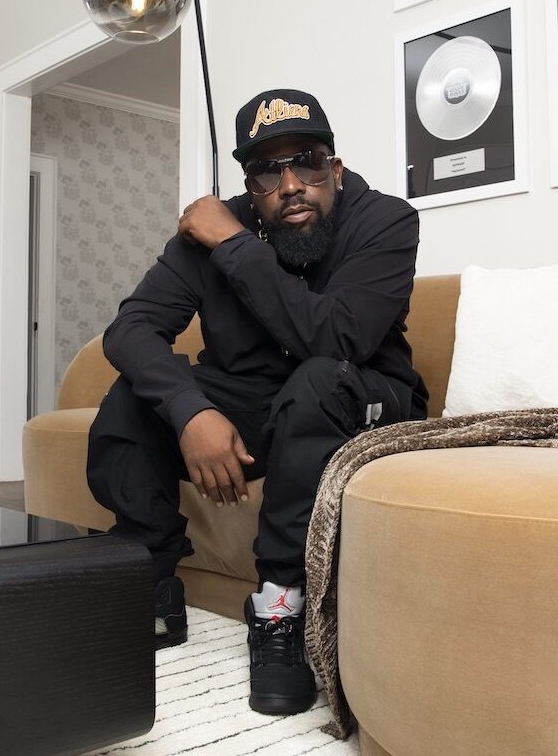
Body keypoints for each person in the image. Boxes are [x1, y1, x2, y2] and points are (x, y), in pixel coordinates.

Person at [87, 88, 427, 715]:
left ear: (337, 168)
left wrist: (235, 244)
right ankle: (149, 575)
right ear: (251, 184)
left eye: (309, 161)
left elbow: (336, 338)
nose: (292, 184)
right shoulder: (211, 233)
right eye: (269, 171)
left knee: (317, 379)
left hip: (360, 395)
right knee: (133, 398)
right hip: (255, 405)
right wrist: (192, 411)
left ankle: (281, 606)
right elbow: (131, 330)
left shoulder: (385, 221)